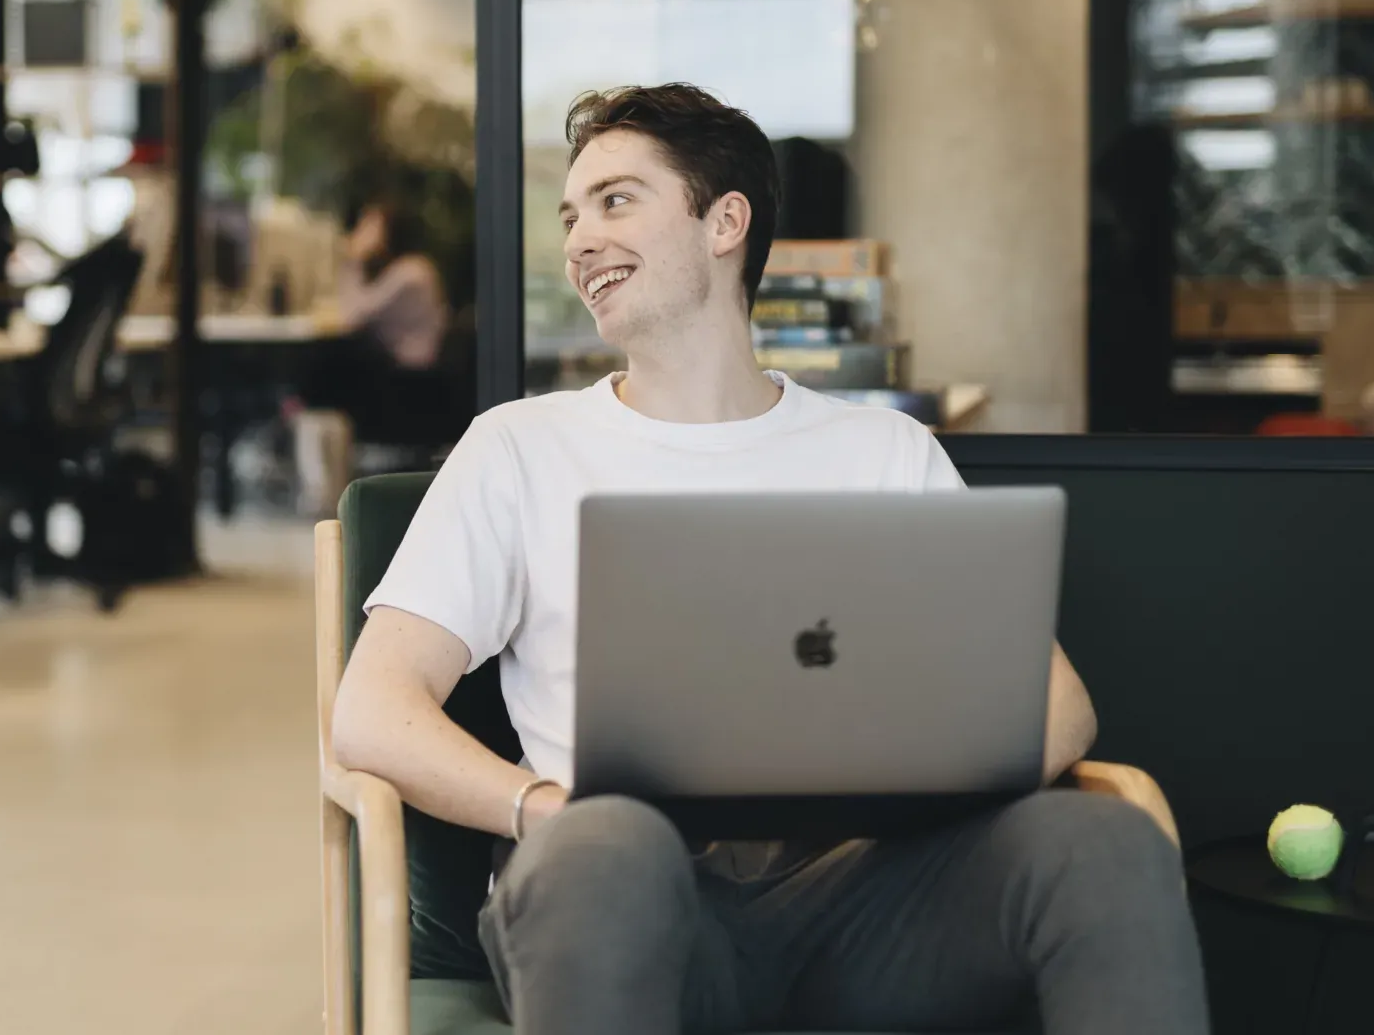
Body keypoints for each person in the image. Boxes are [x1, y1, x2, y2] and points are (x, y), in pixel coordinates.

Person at [330, 84, 1208, 1035]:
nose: (581, 239)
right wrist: (542, 806)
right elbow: (373, 708)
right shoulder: (518, 446)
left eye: (617, 201)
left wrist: (904, 806)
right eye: (571, 215)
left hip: (861, 895)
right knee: (604, 844)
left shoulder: (882, 450)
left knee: (1105, 841)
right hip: (627, 886)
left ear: (725, 222)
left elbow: (1058, 705)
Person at [293, 193, 454, 513]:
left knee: (325, 365)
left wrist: (352, 259)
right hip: (396, 377)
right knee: (326, 365)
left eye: (371, 226)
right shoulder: (406, 271)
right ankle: (305, 409)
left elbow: (352, 314)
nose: (362, 232)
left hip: (410, 385)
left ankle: (301, 406)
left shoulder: (412, 273)